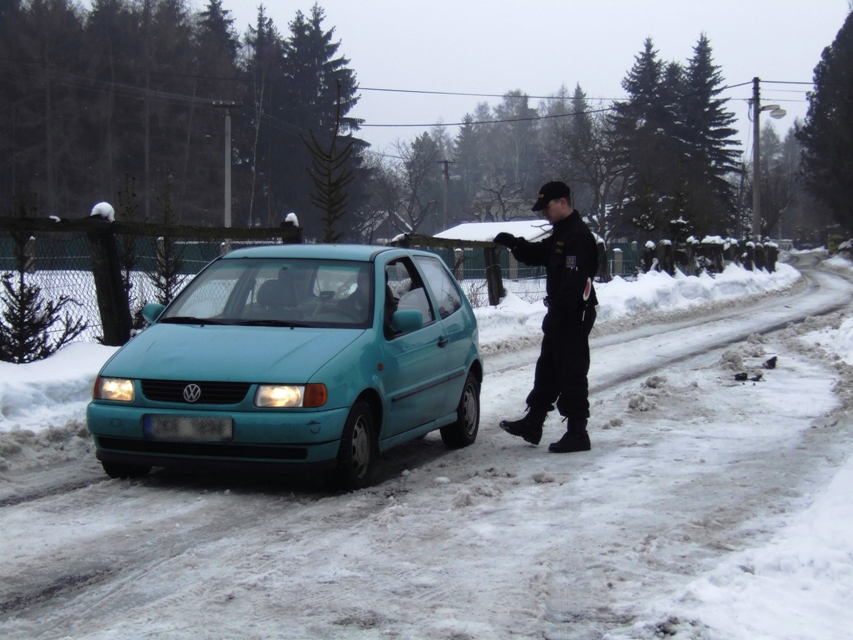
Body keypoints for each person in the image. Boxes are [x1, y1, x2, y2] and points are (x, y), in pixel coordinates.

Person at [494, 181, 598, 453]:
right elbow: (541, 253)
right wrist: (514, 244)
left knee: (571, 371)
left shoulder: (576, 236)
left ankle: (578, 432)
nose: (544, 213)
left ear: (562, 202)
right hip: (563, 312)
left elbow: (573, 284)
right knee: (548, 367)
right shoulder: (562, 234)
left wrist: (557, 314)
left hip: (573, 313)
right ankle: (534, 422)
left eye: (547, 207)